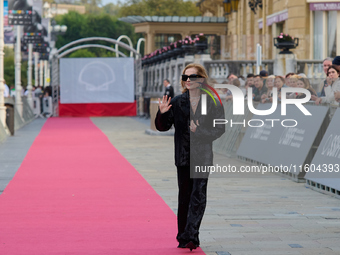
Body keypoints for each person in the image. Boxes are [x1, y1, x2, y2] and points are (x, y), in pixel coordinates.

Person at [155, 63, 224, 250]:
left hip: (202, 156)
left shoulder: (212, 101)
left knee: (198, 195)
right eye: (185, 77)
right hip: (183, 156)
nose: (188, 81)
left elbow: (220, 128)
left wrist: (199, 131)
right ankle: (183, 236)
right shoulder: (177, 101)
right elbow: (163, 126)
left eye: (192, 77)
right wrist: (161, 113)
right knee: (184, 196)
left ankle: (192, 235)